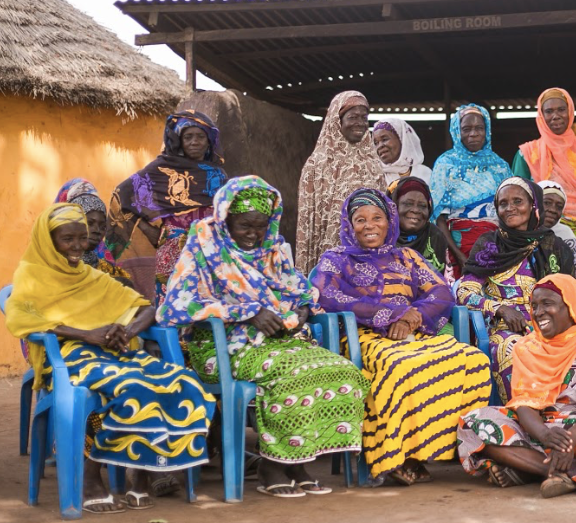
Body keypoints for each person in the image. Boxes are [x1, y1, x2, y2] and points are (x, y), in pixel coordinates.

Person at [159, 176, 366, 498]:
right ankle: (272, 464)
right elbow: (177, 305)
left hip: (280, 342)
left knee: (342, 370)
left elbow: (300, 289)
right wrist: (246, 312)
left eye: (260, 225)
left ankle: (298, 459)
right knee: (292, 375)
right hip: (222, 347)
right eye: (245, 225)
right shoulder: (204, 246)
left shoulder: (272, 249)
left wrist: (301, 310)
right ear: (226, 218)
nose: (254, 234)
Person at [7, 203, 215, 514]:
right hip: (68, 356)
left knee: (181, 380)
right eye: (68, 239)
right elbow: (21, 319)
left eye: (82, 237)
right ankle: (91, 477)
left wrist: (127, 329)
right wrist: (85, 334)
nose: (77, 246)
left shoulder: (90, 276)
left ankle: (141, 473)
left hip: (112, 352)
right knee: (128, 386)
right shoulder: (32, 274)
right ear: (49, 241)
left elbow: (145, 306)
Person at [312, 188, 491, 485]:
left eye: (377, 218)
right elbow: (327, 296)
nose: (369, 226)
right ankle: (395, 455)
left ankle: (451, 450)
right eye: (360, 220)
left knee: (473, 360)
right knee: (398, 365)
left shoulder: (406, 256)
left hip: (413, 333)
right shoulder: (336, 259)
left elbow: (441, 292)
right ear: (348, 225)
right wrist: (387, 314)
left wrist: (413, 316)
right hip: (364, 338)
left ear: (389, 221)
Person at [457, 274, 576, 499]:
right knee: (473, 424)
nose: (538, 313)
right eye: (534, 306)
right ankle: (557, 472)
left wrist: (571, 439)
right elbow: (524, 404)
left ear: (571, 306)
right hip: (541, 430)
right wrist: (546, 436)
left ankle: (528, 469)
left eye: (548, 304)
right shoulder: (527, 346)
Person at [457, 177, 576, 403]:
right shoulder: (489, 245)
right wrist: (500, 309)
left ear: (534, 205)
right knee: (514, 349)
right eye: (503, 203)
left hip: (553, 325)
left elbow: (571, 295)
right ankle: (527, 421)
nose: (510, 208)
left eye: (517, 201)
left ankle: (570, 422)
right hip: (505, 329)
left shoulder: (554, 247)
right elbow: (465, 291)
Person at [105, 110, 227, 303]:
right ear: (178, 140)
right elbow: (123, 194)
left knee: (211, 305)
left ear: (209, 141)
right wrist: (154, 231)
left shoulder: (218, 175)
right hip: (173, 250)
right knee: (175, 302)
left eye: (200, 137)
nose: (194, 142)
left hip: (211, 250)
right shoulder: (160, 169)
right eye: (188, 137)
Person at [296, 90, 387, 272]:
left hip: (369, 254)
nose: (360, 123)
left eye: (364, 117)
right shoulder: (317, 165)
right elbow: (307, 224)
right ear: (337, 120)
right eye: (353, 117)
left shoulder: (373, 164)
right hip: (329, 257)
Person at [512, 88, 576, 252]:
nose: (556, 116)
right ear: (541, 116)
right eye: (549, 111)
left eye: (561, 109)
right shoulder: (528, 154)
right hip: (545, 240)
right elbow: (517, 199)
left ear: (570, 112)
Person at [429, 103, 512, 276]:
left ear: (487, 130)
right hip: (455, 245)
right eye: (466, 129)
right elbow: (439, 218)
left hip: (496, 246)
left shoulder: (500, 166)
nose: (473, 134)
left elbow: (509, 213)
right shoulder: (446, 164)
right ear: (457, 132)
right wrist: (458, 255)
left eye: (479, 128)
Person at [55, 178, 131, 285]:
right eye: (89, 223)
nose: (97, 230)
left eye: (102, 226)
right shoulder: (52, 265)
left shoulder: (105, 266)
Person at [389, 175, 450, 275]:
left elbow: (443, 281)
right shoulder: (381, 236)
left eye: (422, 206)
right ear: (393, 205)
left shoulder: (435, 236)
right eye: (408, 204)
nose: (416, 210)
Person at [537, 180, 576, 280]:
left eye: (559, 207)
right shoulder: (520, 232)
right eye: (547, 203)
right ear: (535, 203)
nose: (553, 210)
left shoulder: (565, 234)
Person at [372, 118, 432, 185]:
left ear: (402, 140)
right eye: (376, 143)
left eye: (385, 139)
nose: (380, 146)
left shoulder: (426, 174)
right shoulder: (374, 178)